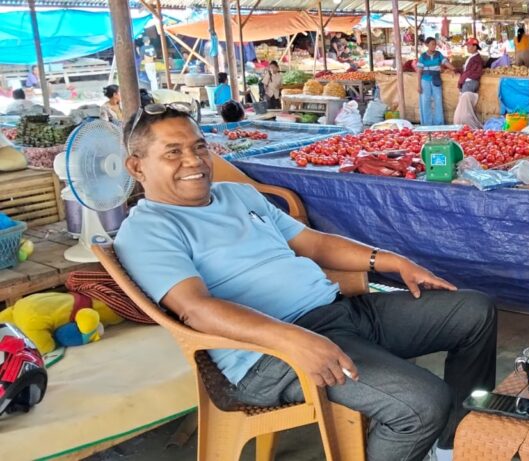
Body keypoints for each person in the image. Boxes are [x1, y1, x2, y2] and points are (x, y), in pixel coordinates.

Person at [115, 106, 497, 461]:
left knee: (474, 312)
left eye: (199, 146)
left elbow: (312, 243)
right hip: (268, 355)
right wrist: (293, 340)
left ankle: (450, 446)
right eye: (173, 152)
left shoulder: (236, 194)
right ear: (137, 166)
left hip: (336, 312)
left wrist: (393, 261)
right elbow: (196, 309)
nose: (194, 161)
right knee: (422, 403)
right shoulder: (148, 229)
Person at [416, 37, 455, 126]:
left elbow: (446, 63)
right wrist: (419, 85)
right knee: (425, 101)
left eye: (435, 44)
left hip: (436, 79)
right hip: (425, 80)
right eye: (432, 44)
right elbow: (419, 71)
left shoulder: (438, 54)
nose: (434, 46)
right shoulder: (423, 56)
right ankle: (427, 123)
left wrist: (454, 69)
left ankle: (439, 123)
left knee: (438, 100)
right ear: (427, 45)